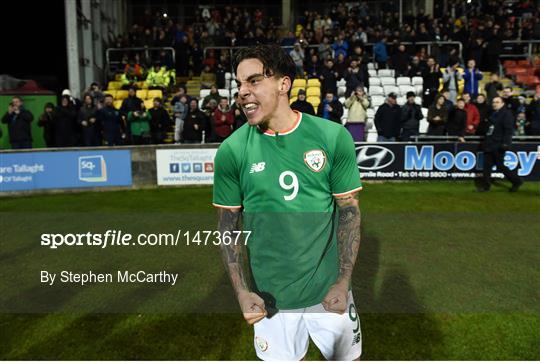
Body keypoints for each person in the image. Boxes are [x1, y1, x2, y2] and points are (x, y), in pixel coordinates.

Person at [213, 44, 362, 361]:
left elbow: (349, 213)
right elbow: (228, 227)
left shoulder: (332, 137)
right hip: (271, 299)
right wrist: (241, 292)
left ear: (284, 84)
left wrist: (343, 282)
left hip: (329, 292)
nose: (242, 92)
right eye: (239, 84)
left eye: (253, 81)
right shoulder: (232, 151)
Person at [478, 96, 523, 192]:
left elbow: (508, 130)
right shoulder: (492, 113)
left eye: (497, 102)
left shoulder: (506, 114)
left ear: (502, 103)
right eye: (494, 102)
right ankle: (486, 186)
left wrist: (506, 143)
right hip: (489, 143)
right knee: (486, 166)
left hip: (498, 144)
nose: (494, 104)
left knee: (500, 166)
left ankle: (516, 181)